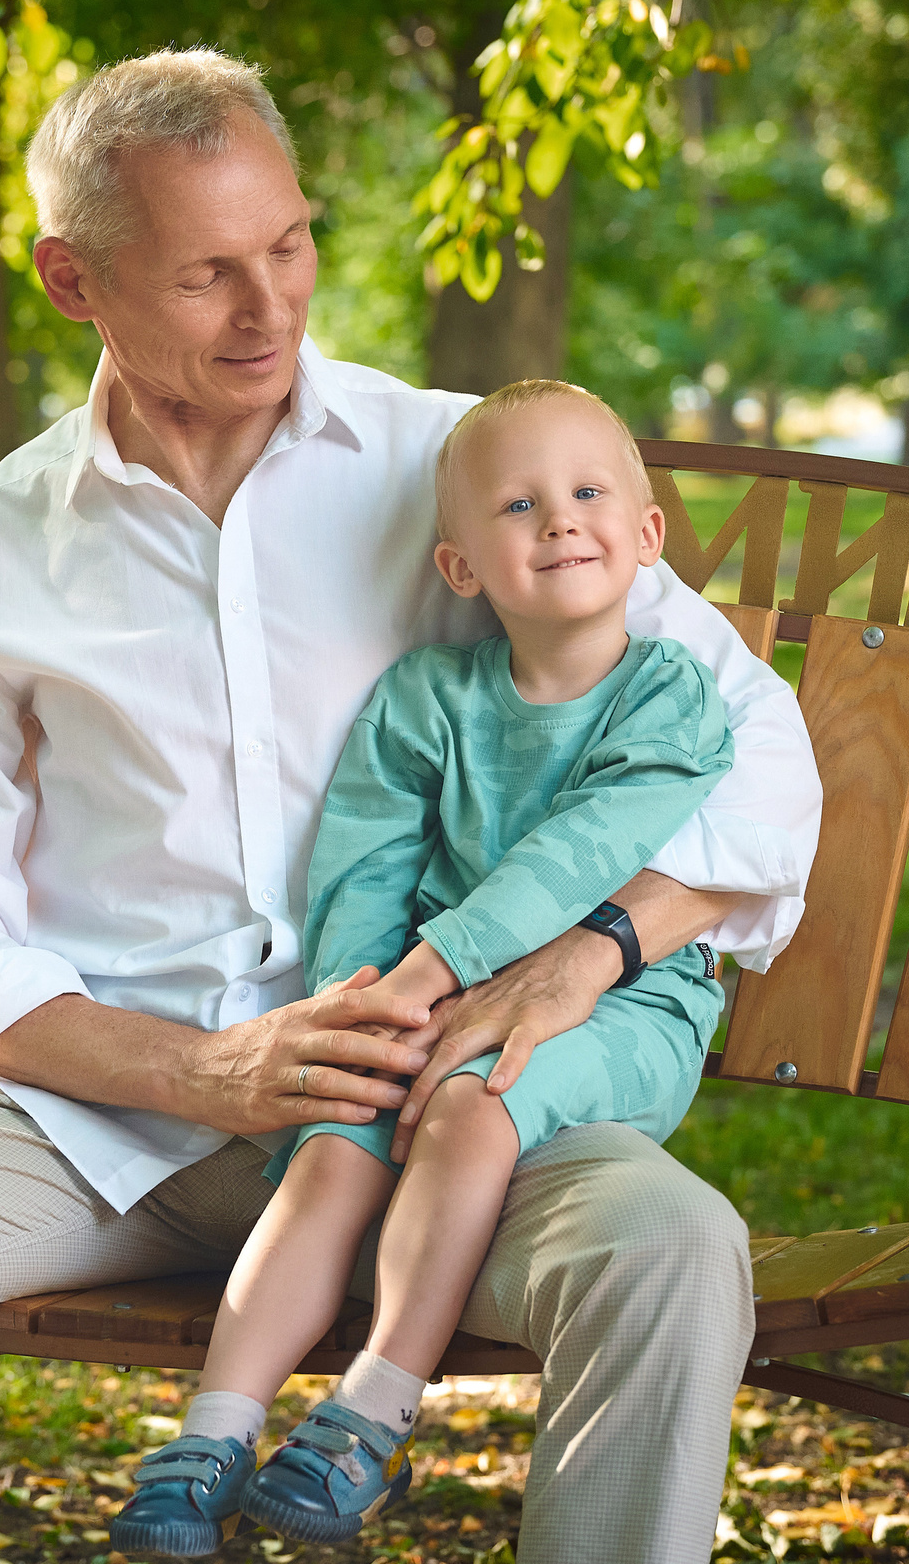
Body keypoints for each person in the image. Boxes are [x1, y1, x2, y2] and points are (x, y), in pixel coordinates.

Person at [0, 48, 823, 1564]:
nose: (273, 310)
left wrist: (595, 949)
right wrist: (201, 1071)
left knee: (672, 1250)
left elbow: (756, 740)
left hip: (441, 1109)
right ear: (76, 283)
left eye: (292, 245)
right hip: (107, 1123)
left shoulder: (460, 468)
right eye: (209, 275)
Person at [112, 380, 743, 1557]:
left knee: (468, 1099)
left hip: (623, 1005)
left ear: (647, 537)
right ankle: (210, 1434)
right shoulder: (424, 700)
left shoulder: (667, 695)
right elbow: (362, 868)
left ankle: (369, 1412)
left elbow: (581, 855)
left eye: (588, 493)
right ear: (461, 569)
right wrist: (360, 1005)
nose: (559, 520)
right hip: (424, 988)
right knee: (336, 1133)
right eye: (519, 504)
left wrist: (429, 976)